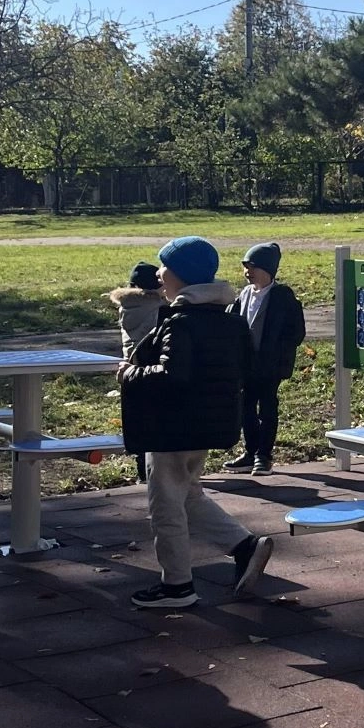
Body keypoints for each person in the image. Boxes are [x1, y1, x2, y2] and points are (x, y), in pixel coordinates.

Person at [120, 236, 274, 609]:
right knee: (188, 495)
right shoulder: (228, 319)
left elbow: (171, 375)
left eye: (164, 267)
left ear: (181, 276)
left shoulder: (181, 323)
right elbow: (244, 369)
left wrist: (129, 373)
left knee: (165, 506)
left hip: (171, 427)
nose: (159, 274)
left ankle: (177, 585)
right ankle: (244, 545)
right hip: (206, 424)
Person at [225, 241, 306, 476]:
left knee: (267, 408)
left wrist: (279, 351)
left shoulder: (282, 296)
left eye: (253, 267)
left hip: (271, 365)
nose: (247, 271)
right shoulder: (244, 294)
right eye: (245, 266)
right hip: (247, 364)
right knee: (245, 407)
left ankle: (264, 455)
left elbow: (296, 331)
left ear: (268, 270)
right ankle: (250, 452)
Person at [109, 262, 166, 482]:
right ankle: (155, 471)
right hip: (151, 369)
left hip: (130, 369)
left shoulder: (127, 306)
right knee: (157, 420)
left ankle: (142, 470)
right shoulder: (158, 308)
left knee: (139, 421)